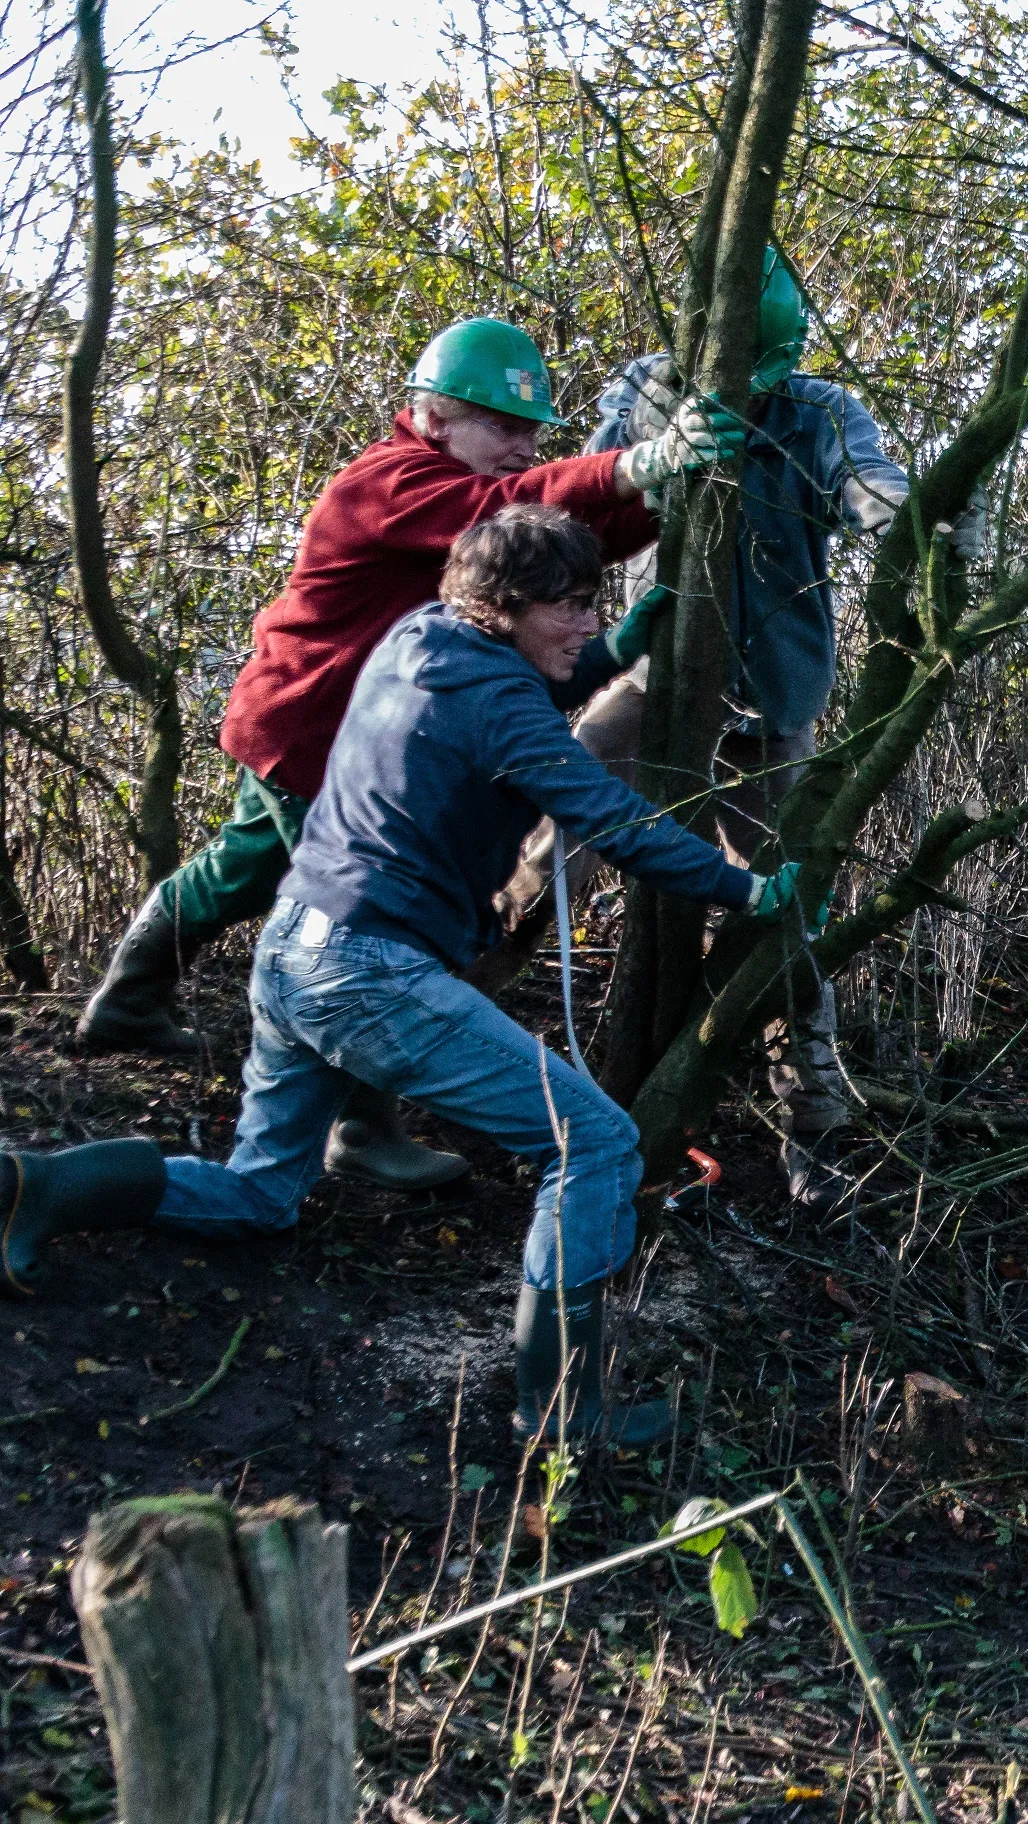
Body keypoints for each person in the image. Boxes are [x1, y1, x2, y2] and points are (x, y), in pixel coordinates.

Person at [3, 507, 810, 1445]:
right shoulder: (503, 702)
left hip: (291, 955)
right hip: (366, 974)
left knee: (263, 1194)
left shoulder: (416, 640)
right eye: (574, 607)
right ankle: (563, 1416)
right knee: (593, 1143)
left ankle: (42, 1188)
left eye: (595, 606)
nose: (590, 621)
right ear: (505, 607)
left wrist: (607, 652)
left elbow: (504, 707)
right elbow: (611, 816)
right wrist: (745, 888)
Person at [75, 316, 747, 1195]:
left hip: (350, 733)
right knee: (369, 907)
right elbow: (496, 515)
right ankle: (362, 1126)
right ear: (433, 417)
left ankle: (129, 1002)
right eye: (501, 428)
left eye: (530, 434)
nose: (519, 447)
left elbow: (547, 539)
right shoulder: (390, 481)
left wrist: (655, 500)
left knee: (246, 869)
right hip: (313, 727)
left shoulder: (469, 494)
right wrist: (634, 465)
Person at [481, 249, 911, 1205]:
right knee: (546, 850)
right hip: (654, 677)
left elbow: (869, 483)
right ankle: (445, 1034)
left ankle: (816, 1126)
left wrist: (917, 519)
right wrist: (654, 460)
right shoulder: (645, 387)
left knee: (785, 909)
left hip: (775, 697)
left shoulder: (821, 409)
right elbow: (578, 502)